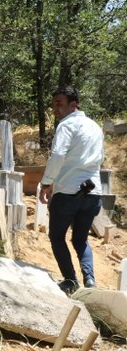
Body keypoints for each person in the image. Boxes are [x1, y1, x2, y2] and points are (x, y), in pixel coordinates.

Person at [39, 85, 104, 294]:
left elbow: (58, 156)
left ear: (73, 104)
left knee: (57, 237)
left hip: (67, 191)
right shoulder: (95, 126)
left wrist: (47, 182)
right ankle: (90, 282)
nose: (55, 109)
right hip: (93, 193)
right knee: (80, 239)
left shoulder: (67, 125)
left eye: (59, 104)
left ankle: (70, 281)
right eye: (53, 104)